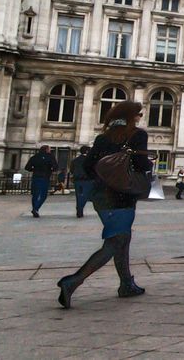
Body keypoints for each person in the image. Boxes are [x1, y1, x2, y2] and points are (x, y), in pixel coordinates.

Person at [56, 101, 152, 308]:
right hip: (123, 196)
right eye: (138, 114)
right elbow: (142, 164)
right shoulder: (137, 135)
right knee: (115, 242)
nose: (140, 117)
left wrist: (106, 178)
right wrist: (146, 165)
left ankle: (126, 284)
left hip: (101, 196)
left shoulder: (103, 138)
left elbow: (88, 165)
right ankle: (72, 282)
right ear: (130, 116)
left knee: (122, 238)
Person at [24, 145, 58, 218]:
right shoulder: (50, 157)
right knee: (43, 194)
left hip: (36, 176)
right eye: (49, 149)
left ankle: (34, 208)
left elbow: (27, 167)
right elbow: (55, 167)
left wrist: (34, 170)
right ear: (46, 150)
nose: (50, 151)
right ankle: (36, 208)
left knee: (35, 194)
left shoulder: (34, 157)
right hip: (45, 177)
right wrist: (50, 169)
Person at [70, 146, 93, 218]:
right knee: (85, 195)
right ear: (87, 151)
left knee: (79, 195)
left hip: (77, 180)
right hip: (87, 180)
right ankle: (80, 208)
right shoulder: (90, 160)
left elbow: (72, 170)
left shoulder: (75, 160)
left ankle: (79, 209)